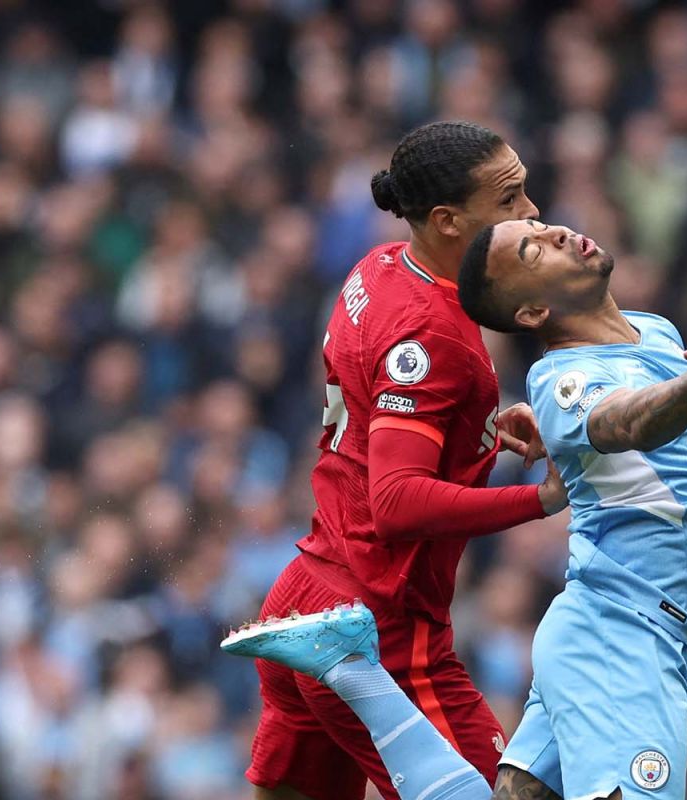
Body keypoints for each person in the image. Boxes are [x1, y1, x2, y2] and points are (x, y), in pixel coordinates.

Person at [225, 213, 687, 800]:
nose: (558, 234)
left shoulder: (660, 334)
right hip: (618, 644)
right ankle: (356, 674)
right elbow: (631, 423)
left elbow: (677, 477)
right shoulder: (563, 379)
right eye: (534, 252)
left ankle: (351, 670)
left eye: (544, 230)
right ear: (532, 314)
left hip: (625, 631)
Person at [237, 121, 571, 800]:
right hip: (379, 630)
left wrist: (478, 427)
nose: (531, 212)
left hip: (306, 595)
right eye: (508, 199)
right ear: (448, 220)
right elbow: (396, 501)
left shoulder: (381, 266)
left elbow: (378, 410)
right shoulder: (432, 331)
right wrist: (539, 499)